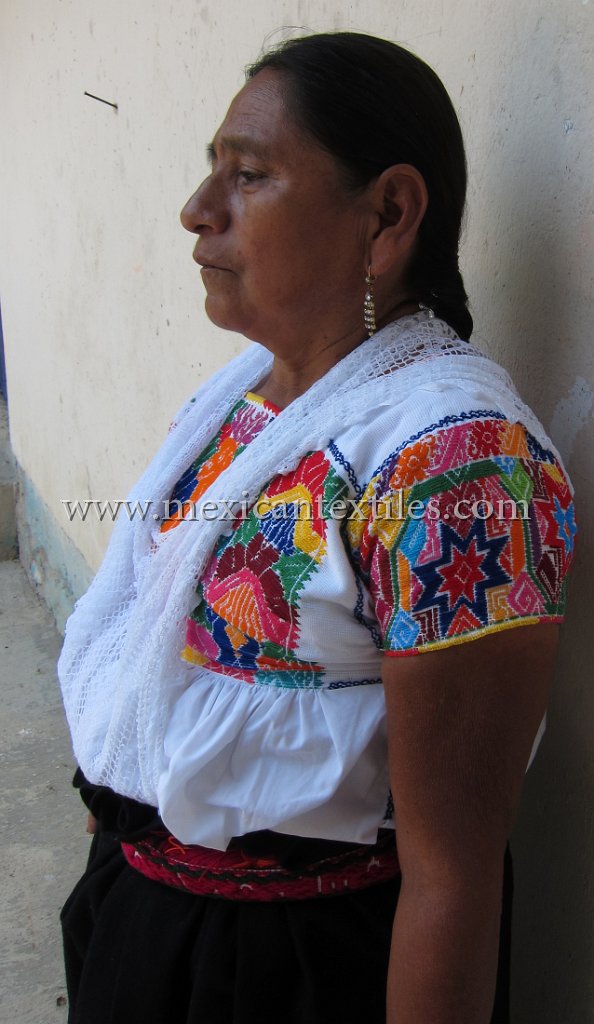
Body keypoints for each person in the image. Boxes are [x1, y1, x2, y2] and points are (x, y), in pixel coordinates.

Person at [58, 31, 576, 1024]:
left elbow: (453, 875)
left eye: (249, 175)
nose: (198, 210)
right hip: (146, 921)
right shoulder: (246, 400)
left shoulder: (458, 466)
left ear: (388, 214)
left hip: (289, 973)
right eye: (213, 168)